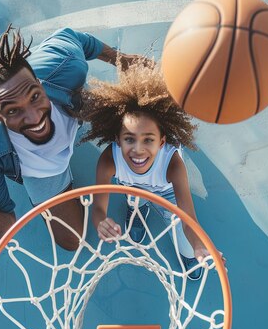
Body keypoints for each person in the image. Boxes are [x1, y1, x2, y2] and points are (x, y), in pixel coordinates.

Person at [0, 25, 143, 250]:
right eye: (13, 110)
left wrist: (120, 59)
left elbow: (74, 37)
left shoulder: (64, 65)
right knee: (72, 241)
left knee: (142, 123)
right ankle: (63, 187)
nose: (34, 118)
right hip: (38, 169)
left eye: (34, 96)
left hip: (73, 105)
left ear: (40, 84)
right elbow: (7, 224)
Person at [81, 63, 210, 280]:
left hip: (167, 193)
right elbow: (98, 209)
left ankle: (188, 254)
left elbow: (188, 218)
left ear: (161, 142)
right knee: (135, 200)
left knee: (188, 246)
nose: (138, 149)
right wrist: (100, 222)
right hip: (134, 189)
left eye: (148, 140)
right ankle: (138, 212)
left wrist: (199, 246)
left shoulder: (173, 164)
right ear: (117, 139)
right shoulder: (108, 160)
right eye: (129, 139)